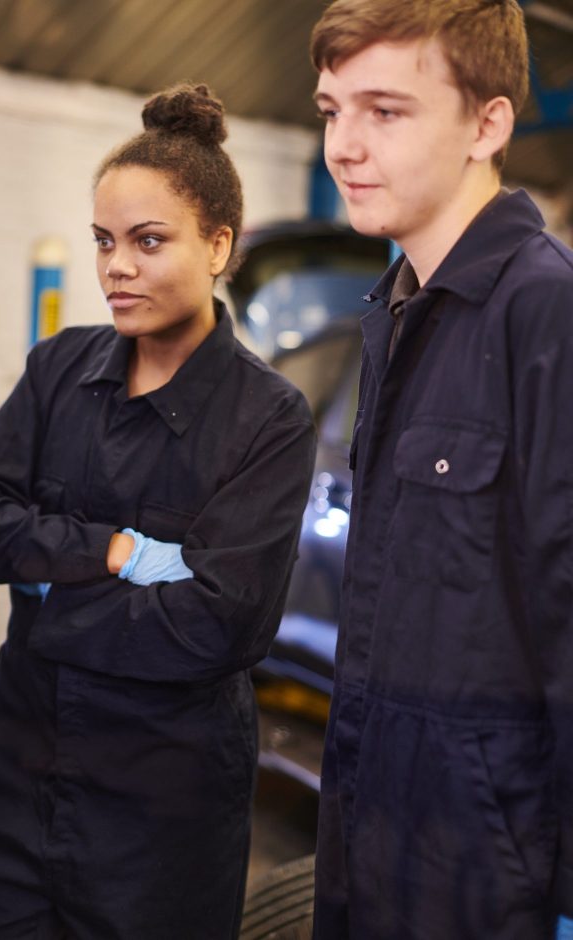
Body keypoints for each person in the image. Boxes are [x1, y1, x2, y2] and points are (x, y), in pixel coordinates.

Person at [0, 83, 317, 938]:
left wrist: (46, 594)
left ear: (219, 245)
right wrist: (109, 552)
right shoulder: (59, 370)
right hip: (16, 779)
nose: (116, 266)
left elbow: (223, 627)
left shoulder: (267, 418)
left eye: (149, 242)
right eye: (105, 242)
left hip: (161, 810)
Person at [308, 2, 573, 937]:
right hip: (374, 822)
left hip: (488, 860)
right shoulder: (397, 313)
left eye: (385, 110)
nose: (344, 145)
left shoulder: (547, 313)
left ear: (488, 125)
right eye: (331, 109)